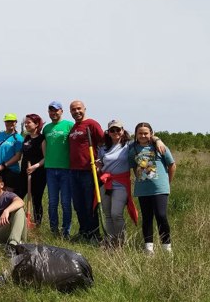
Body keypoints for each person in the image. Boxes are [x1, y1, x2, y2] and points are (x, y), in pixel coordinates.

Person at [128, 122, 176, 255]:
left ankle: (167, 248)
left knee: (161, 216)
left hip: (160, 189)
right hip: (143, 190)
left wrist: (167, 182)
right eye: (140, 133)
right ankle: (149, 249)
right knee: (147, 218)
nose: (143, 135)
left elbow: (172, 165)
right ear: (136, 135)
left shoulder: (159, 147)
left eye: (146, 133)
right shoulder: (133, 149)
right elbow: (133, 167)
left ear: (151, 134)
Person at [68, 100, 105, 241]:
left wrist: (99, 161)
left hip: (88, 172)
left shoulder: (92, 124)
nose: (76, 112)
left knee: (90, 205)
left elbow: (104, 143)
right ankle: (84, 232)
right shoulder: (73, 128)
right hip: (73, 171)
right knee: (78, 205)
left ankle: (94, 235)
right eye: (73, 110)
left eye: (79, 109)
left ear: (84, 109)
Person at [97, 120, 138, 248]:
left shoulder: (129, 146)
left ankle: (120, 242)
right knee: (107, 214)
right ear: (108, 132)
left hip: (121, 183)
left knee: (116, 214)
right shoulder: (103, 148)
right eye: (112, 130)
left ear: (122, 131)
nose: (115, 132)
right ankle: (110, 241)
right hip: (105, 182)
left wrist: (157, 140)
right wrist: (98, 167)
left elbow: (146, 137)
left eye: (118, 130)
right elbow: (101, 167)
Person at [42, 101, 73, 238]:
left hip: (66, 168)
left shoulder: (69, 125)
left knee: (66, 202)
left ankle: (66, 231)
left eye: (56, 110)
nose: (53, 113)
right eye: (51, 111)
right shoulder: (46, 128)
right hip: (50, 169)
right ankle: (53, 230)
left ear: (61, 111)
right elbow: (44, 144)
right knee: (52, 202)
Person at [20, 114, 46, 226]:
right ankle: (20, 221)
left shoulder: (42, 139)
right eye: (25, 123)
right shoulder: (26, 138)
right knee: (18, 196)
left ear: (36, 124)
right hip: (24, 173)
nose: (26, 124)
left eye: (29, 122)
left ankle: (37, 224)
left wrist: (34, 167)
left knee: (36, 199)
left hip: (38, 174)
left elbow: (46, 157)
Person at [0, 113, 23, 193]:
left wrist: (3, 166)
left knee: (8, 195)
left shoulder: (18, 138)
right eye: (7, 121)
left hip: (11, 170)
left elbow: (18, 156)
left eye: (12, 121)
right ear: (5, 122)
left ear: (15, 123)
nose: (9, 123)